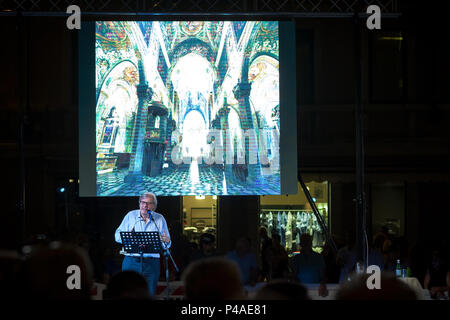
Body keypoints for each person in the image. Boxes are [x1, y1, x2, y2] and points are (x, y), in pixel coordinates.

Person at [115, 192, 171, 296]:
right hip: (131, 261)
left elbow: (166, 245)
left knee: (149, 294)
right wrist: (127, 236)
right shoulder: (130, 216)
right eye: (143, 202)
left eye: (149, 203)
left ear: (154, 206)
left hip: (151, 264)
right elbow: (117, 236)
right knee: (127, 294)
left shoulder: (159, 218)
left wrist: (167, 241)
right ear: (139, 203)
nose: (145, 206)